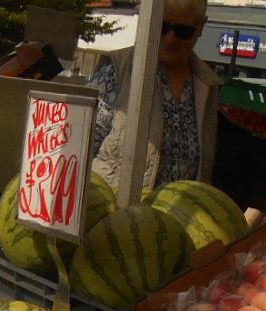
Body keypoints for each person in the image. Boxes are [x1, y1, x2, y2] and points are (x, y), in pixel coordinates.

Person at [91, 0, 219, 192]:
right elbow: (80, 146)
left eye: (183, 31)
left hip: (178, 217)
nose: (170, 38)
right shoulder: (118, 70)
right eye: (162, 27)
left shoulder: (207, 85)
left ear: (201, 27)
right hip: (116, 214)